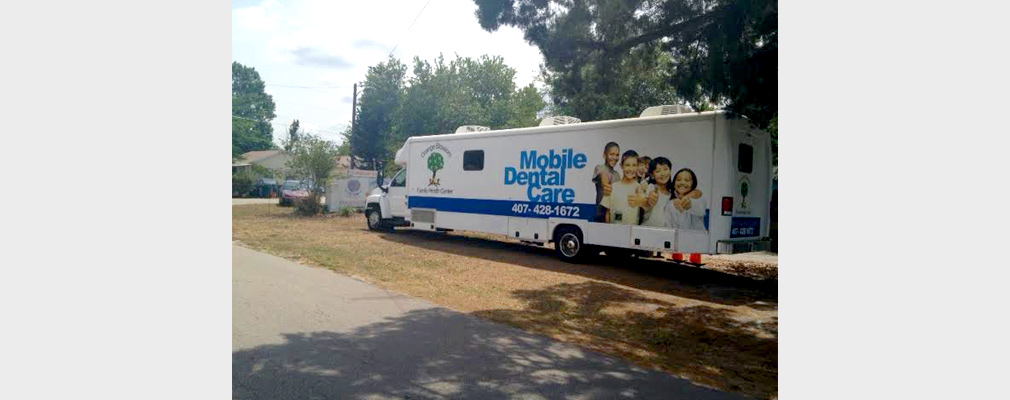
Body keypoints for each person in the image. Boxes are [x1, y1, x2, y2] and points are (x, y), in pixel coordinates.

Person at [609, 150, 646, 225]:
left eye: (634, 165)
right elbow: (607, 212)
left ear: (638, 166)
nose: (631, 169)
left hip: (632, 231)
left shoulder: (639, 187)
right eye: (627, 165)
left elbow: (644, 207)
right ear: (621, 166)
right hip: (613, 230)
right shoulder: (613, 187)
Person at [640, 157, 673, 227]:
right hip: (649, 228)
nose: (663, 174)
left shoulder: (672, 193)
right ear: (652, 175)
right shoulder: (650, 187)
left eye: (665, 169)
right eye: (658, 171)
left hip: (666, 231)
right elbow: (649, 196)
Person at [592, 142, 620, 222]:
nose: (614, 157)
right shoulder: (600, 168)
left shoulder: (617, 174)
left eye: (617, 155)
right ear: (604, 155)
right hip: (600, 213)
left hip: (612, 212)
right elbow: (605, 183)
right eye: (612, 154)